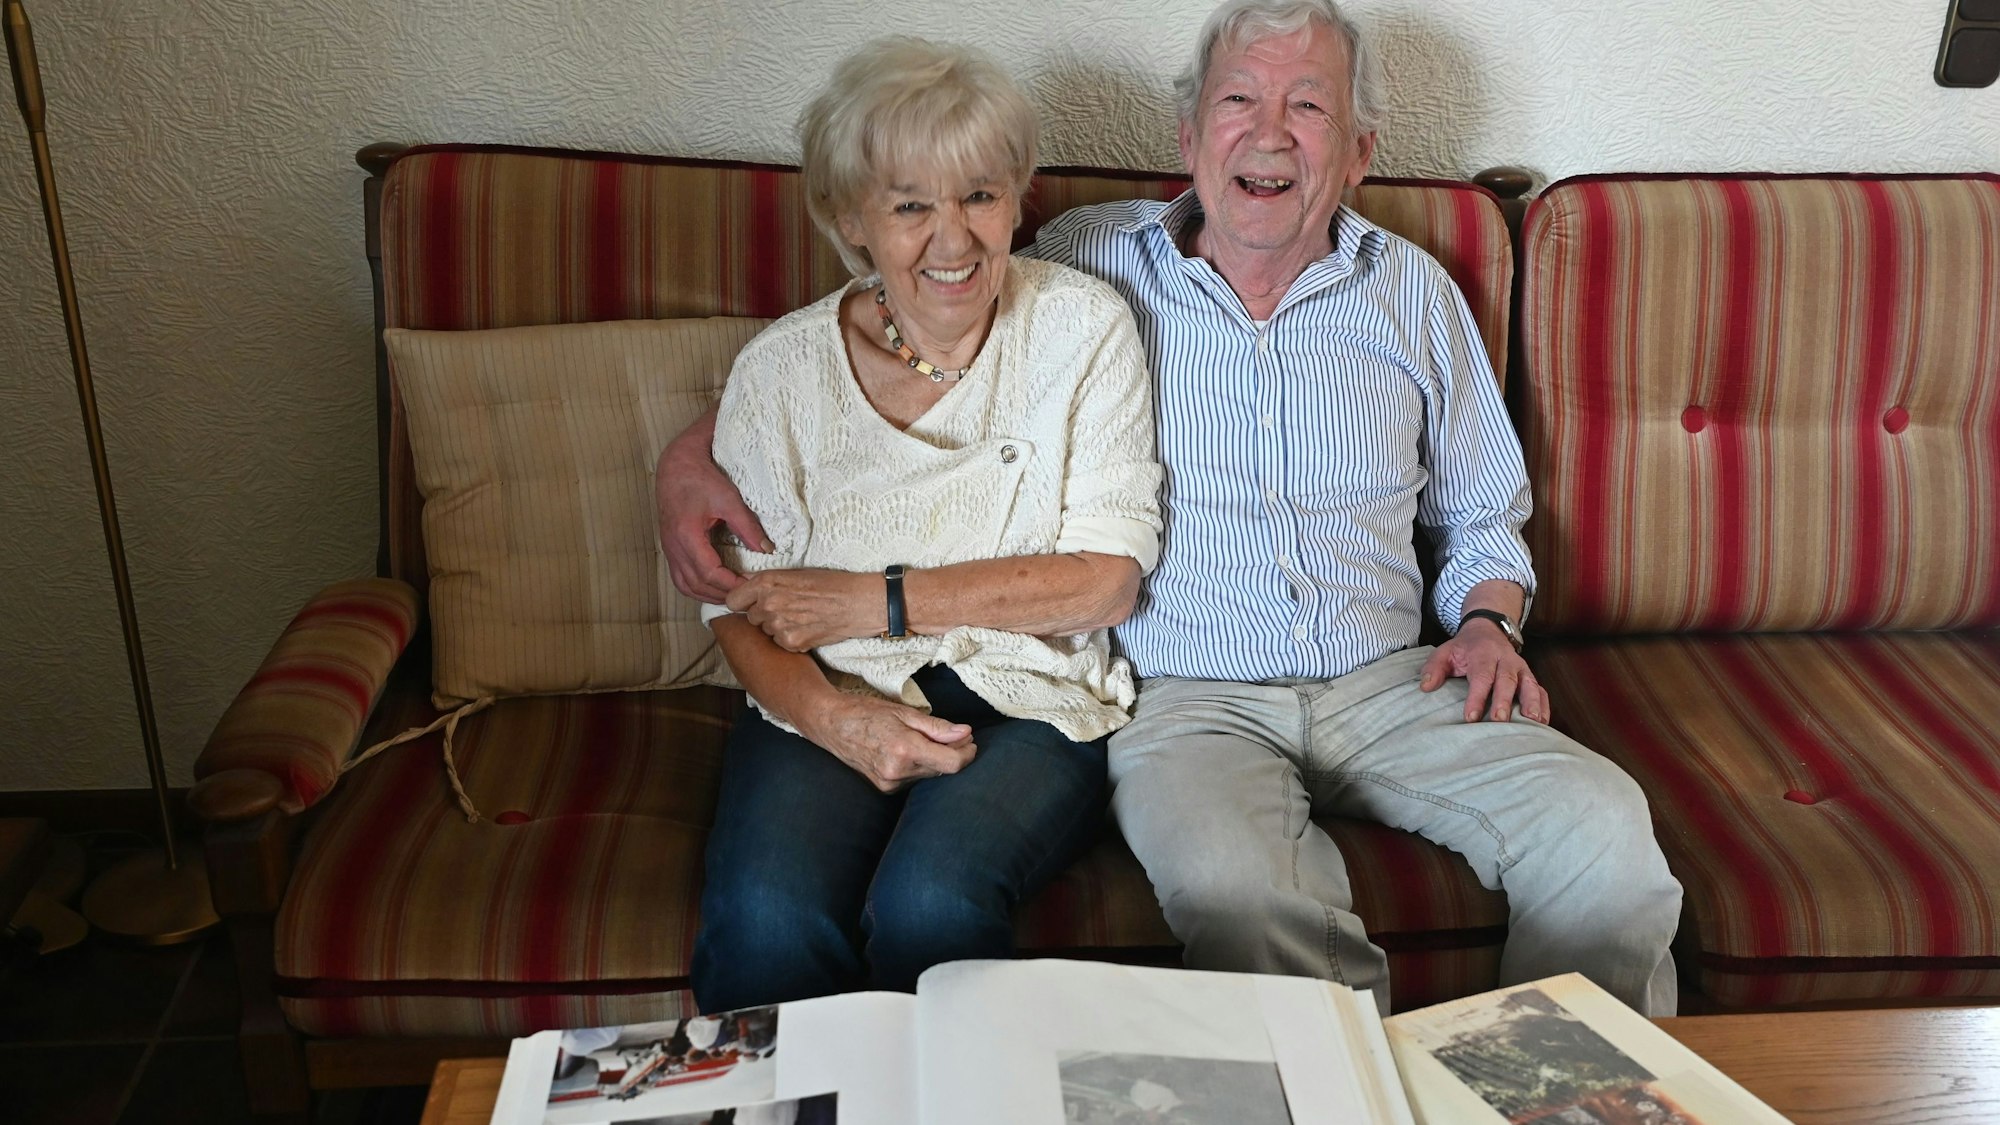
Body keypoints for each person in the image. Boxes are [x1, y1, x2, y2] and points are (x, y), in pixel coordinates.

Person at [661, 0, 1682, 1016]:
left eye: (1308, 106)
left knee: (1601, 833)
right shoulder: (1083, 267)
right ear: (1187, 137)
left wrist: (1489, 618)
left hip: (1390, 683)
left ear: (1361, 148)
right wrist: (694, 449)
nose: (1269, 132)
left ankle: (1566, 1096)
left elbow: (1481, 507)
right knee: (1248, 901)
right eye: (1238, 100)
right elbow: (920, 327)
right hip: (1189, 703)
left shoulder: (1413, 293)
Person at [682, 36, 1163, 1014]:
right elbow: (740, 607)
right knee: (767, 916)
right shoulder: (781, 371)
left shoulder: (1082, 328)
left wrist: (875, 601)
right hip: (828, 687)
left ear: (1019, 193)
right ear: (848, 217)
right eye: (909, 206)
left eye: (980, 196)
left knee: (929, 905)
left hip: (1032, 690)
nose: (953, 240)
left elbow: (1105, 580)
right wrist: (833, 716)